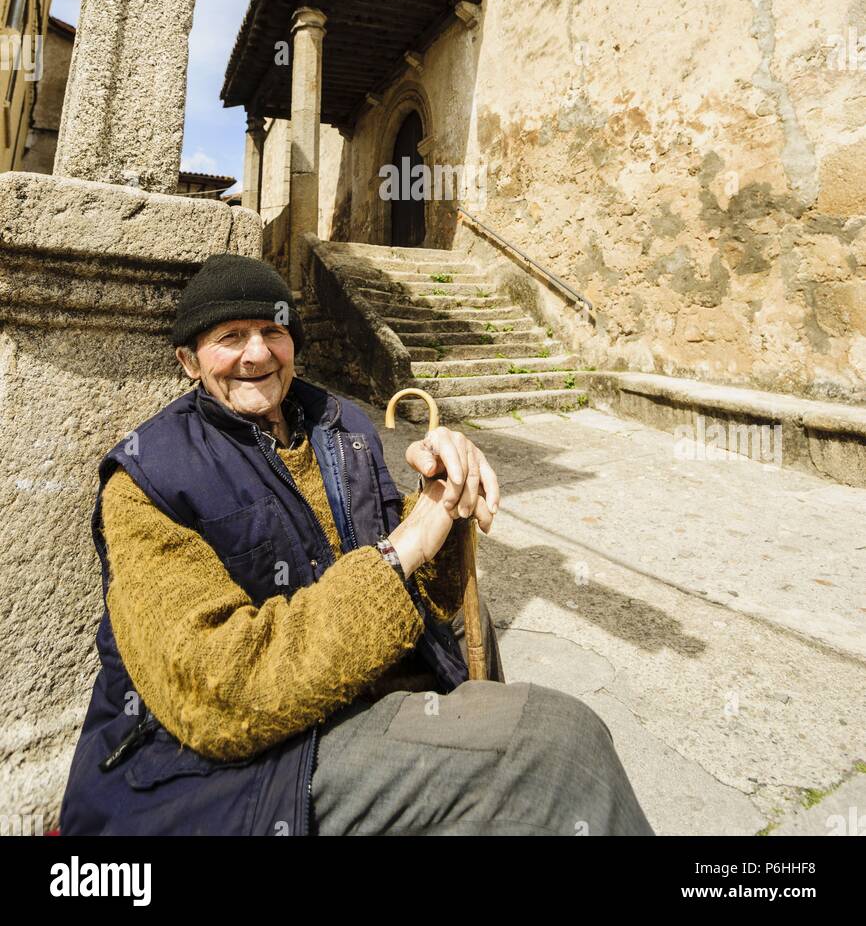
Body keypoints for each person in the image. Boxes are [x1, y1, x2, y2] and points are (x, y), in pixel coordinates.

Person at [59, 253, 654, 836]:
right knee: (559, 748)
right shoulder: (147, 479)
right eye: (230, 336)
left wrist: (440, 502)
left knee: (501, 674)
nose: (259, 353)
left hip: (354, 694)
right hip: (234, 764)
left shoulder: (342, 427)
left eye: (273, 329)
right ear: (189, 361)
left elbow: (429, 597)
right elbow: (222, 693)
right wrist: (401, 549)